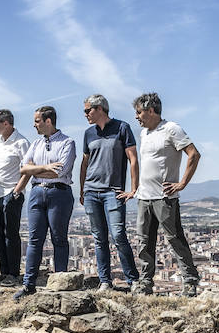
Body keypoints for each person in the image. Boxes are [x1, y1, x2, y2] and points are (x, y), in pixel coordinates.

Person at [132, 91, 201, 296]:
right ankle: (145, 283)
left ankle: (189, 281)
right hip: (144, 196)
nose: (136, 117)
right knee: (144, 241)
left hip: (164, 196)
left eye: (139, 112)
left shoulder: (171, 129)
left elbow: (194, 154)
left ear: (150, 110)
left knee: (174, 239)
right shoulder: (144, 134)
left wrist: (182, 184)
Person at [13, 105, 76, 299]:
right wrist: (45, 167)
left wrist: (35, 168)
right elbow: (23, 169)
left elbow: (60, 172)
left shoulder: (67, 142)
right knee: (34, 240)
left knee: (59, 239)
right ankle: (28, 285)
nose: (34, 125)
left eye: (37, 121)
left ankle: (60, 285)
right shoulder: (36, 144)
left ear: (48, 121)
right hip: (37, 192)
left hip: (59, 193)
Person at [79, 94, 140, 291]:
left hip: (113, 192)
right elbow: (85, 163)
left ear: (100, 109)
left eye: (88, 110)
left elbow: (133, 158)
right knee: (99, 239)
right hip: (91, 191)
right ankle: (105, 281)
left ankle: (133, 281)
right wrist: (82, 190)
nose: (85, 114)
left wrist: (133, 188)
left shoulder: (122, 128)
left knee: (119, 235)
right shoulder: (89, 133)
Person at [0, 109, 31, 287]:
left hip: (11, 193)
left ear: (6, 123)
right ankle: (3, 271)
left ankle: (13, 273)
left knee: (11, 235)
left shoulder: (21, 143)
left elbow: (28, 170)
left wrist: (17, 191)